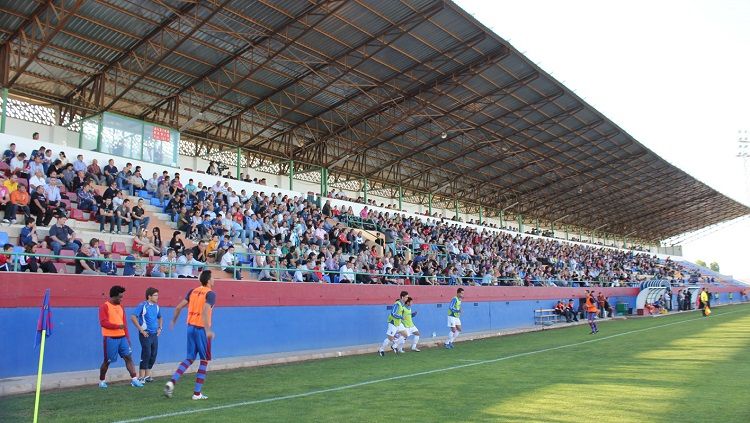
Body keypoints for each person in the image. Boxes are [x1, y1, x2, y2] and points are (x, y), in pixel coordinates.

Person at [164, 270, 216, 400]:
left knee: (189, 358)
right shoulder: (210, 294)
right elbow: (205, 311)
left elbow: (178, 307)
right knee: (204, 360)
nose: (214, 280)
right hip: (201, 330)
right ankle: (197, 393)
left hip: (190, 327)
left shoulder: (192, 291)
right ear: (209, 280)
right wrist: (208, 329)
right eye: (213, 278)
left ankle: (172, 382)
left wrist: (173, 320)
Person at [98, 285, 144, 388]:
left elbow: (124, 324)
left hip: (122, 338)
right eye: (120, 297)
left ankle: (134, 380)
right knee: (107, 361)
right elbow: (103, 323)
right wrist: (117, 326)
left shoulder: (121, 307)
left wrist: (127, 338)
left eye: (122, 297)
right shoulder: (104, 307)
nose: (121, 299)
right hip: (110, 338)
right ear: (113, 297)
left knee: (128, 357)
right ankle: (102, 381)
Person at [130, 287, 162, 383]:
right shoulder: (143, 305)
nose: (157, 297)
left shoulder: (156, 307)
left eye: (157, 295)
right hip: (145, 334)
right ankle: (141, 377)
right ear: (149, 296)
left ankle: (147, 376)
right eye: (155, 295)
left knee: (153, 354)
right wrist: (141, 330)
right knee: (146, 353)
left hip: (154, 334)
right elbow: (133, 317)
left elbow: (160, 318)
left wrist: (160, 328)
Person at [378, 290, 409, 356]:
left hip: (399, 323)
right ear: (402, 297)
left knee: (406, 335)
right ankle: (381, 349)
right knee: (390, 338)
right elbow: (393, 313)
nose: (407, 298)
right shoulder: (397, 304)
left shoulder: (402, 304)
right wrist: (401, 317)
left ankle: (394, 346)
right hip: (393, 323)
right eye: (406, 297)